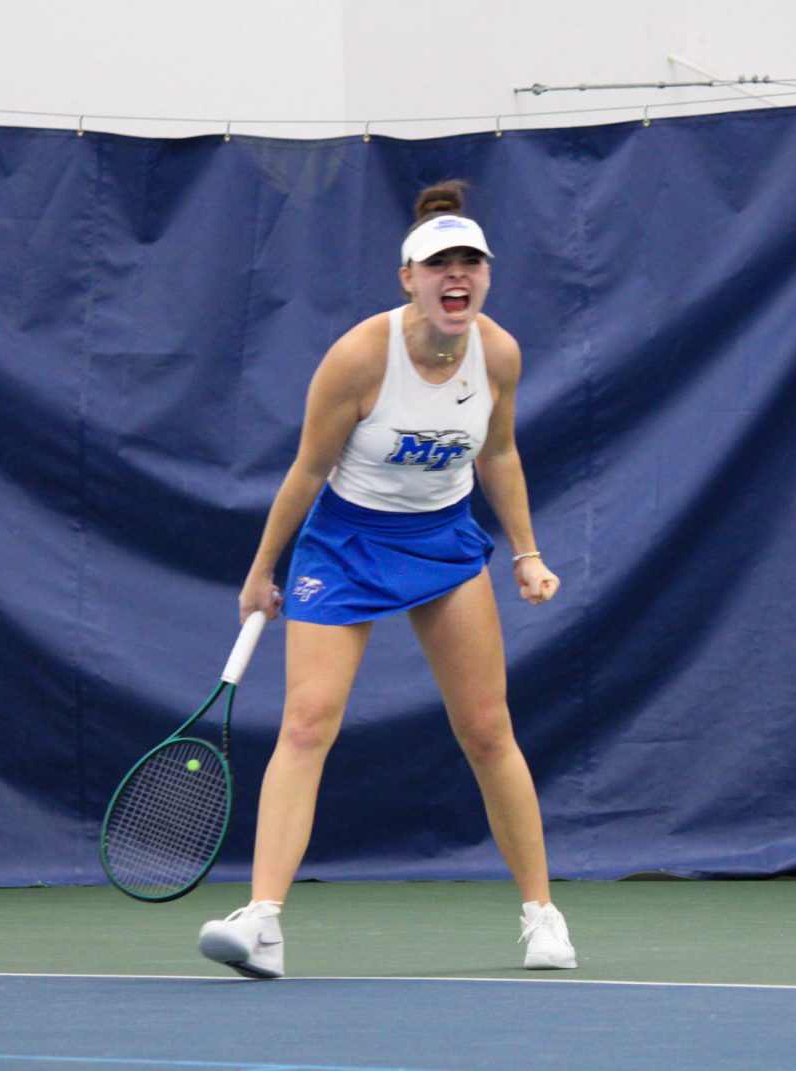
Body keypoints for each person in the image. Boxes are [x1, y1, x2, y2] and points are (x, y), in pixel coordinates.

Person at [198, 181, 576, 977]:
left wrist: (525, 552)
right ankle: (262, 922)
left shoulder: (497, 353)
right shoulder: (360, 357)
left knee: (486, 729)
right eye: (440, 262)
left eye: (471, 261)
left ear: (484, 276)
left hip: (442, 540)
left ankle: (543, 915)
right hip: (344, 544)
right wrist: (262, 569)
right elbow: (306, 471)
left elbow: (498, 452)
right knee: (307, 723)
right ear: (408, 276)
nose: (457, 275)